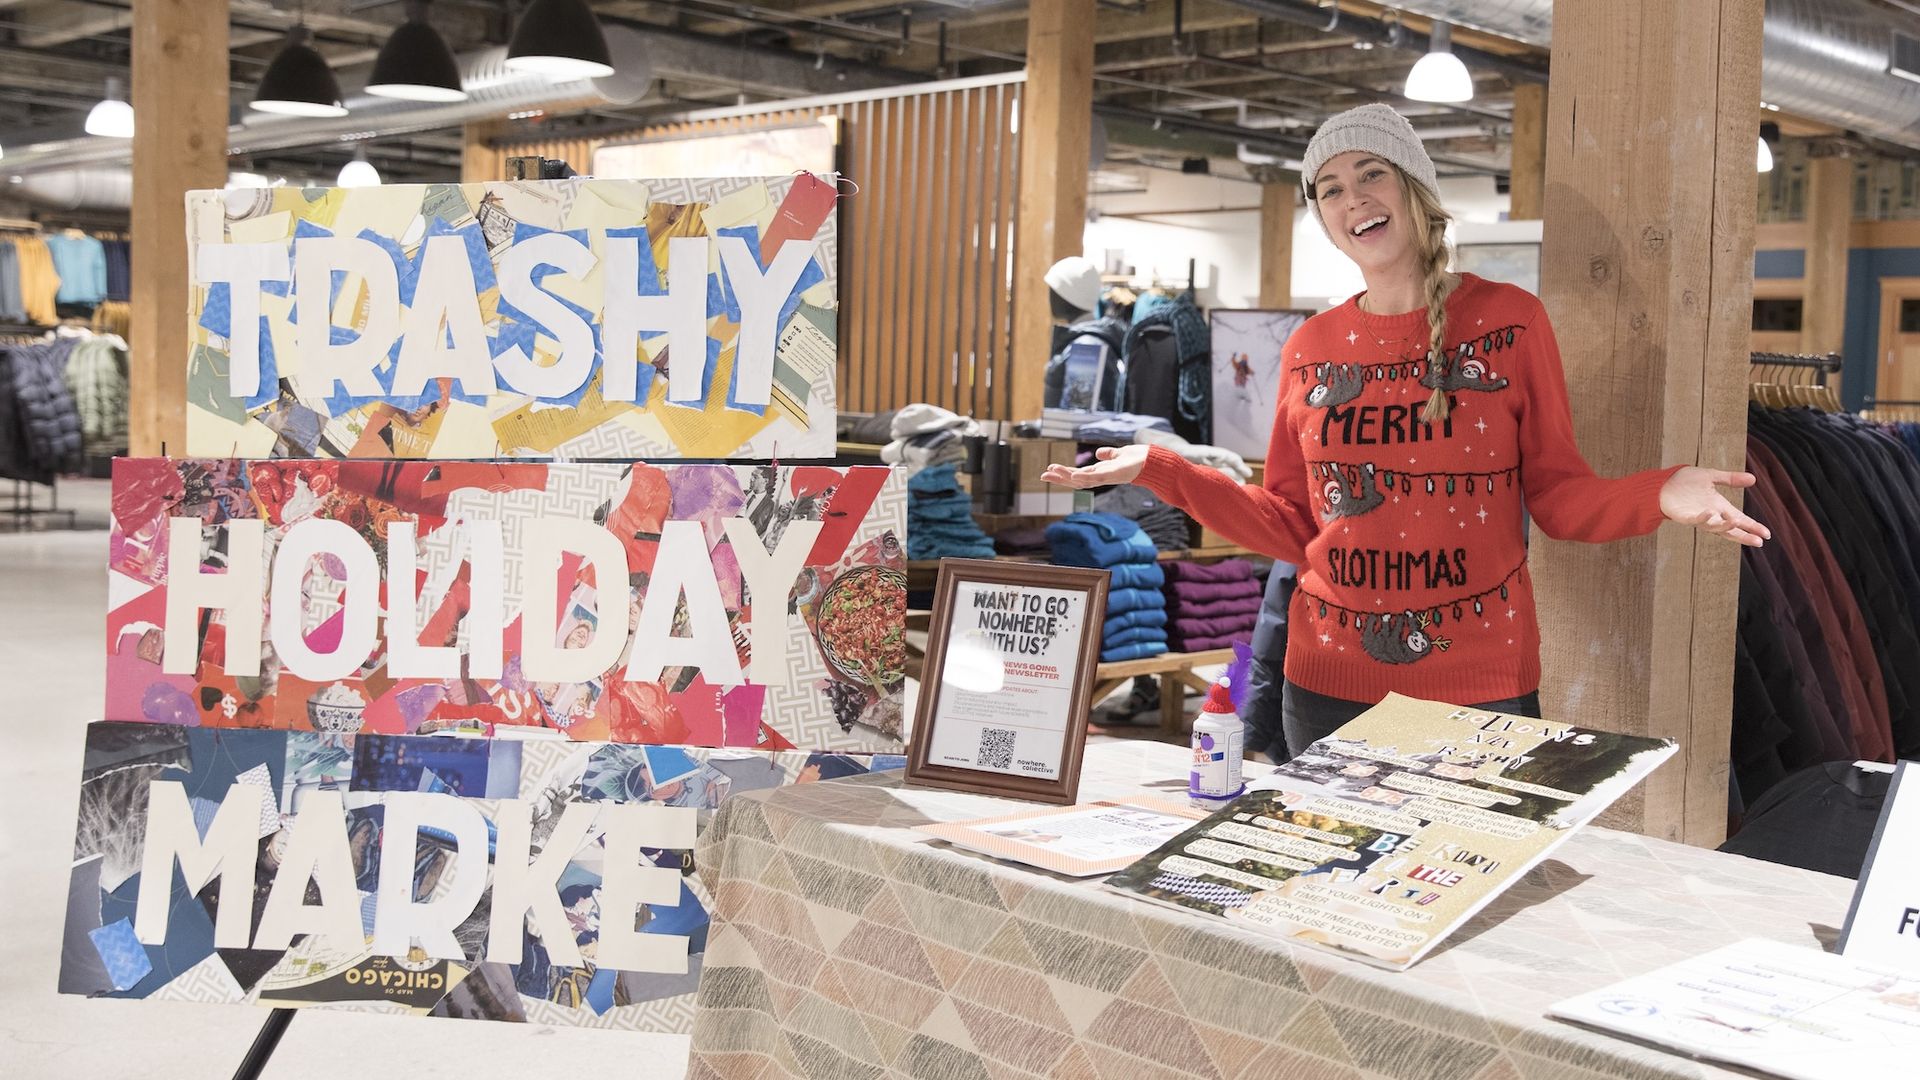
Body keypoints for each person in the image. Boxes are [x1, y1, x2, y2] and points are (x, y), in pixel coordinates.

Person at [1044, 103, 1768, 759]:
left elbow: (1559, 498)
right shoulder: (1311, 347)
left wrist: (1661, 491)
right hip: (1326, 688)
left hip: (1478, 690)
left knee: (1475, 901)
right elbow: (1295, 526)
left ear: (1413, 187)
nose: (1352, 197)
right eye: (1329, 188)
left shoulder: (1510, 322)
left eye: (1370, 173)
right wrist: (1162, 468)